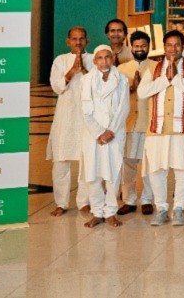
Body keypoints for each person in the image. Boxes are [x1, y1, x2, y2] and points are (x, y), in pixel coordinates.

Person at [138, 30, 184, 227]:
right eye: (169, 45)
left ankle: (178, 208)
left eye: (177, 45)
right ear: (164, 47)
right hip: (157, 129)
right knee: (156, 170)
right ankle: (161, 208)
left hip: (182, 128)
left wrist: (176, 78)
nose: (173, 49)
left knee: (183, 170)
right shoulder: (153, 68)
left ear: (183, 47)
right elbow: (142, 92)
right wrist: (164, 80)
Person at [80, 45, 130, 228]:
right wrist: (99, 133)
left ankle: (110, 212)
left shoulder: (122, 79)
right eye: (100, 58)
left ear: (113, 59)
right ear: (94, 61)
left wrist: (111, 131)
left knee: (113, 173)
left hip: (114, 133)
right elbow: (85, 110)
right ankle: (97, 212)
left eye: (107, 57)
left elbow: (123, 108)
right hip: (93, 135)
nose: (104, 61)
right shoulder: (86, 80)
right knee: (93, 174)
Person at [48, 26, 93, 217]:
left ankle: (84, 201)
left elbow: (98, 86)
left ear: (87, 40)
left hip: (87, 117)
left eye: (81, 39)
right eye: (74, 39)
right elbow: (56, 87)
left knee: (87, 161)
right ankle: (61, 202)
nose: (78, 42)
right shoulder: (60, 60)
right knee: (61, 161)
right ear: (68, 41)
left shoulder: (94, 59)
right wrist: (72, 71)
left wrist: (83, 70)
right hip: (65, 117)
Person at [116, 31, 157, 216]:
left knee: (149, 163)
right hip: (128, 122)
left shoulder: (157, 68)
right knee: (128, 163)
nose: (140, 49)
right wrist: (131, 88)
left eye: (143, 46)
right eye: (137, 46)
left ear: (149, 47)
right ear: (131, 47)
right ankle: (129, 200)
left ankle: (147, 199)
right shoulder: (122, 69)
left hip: (148, 122)